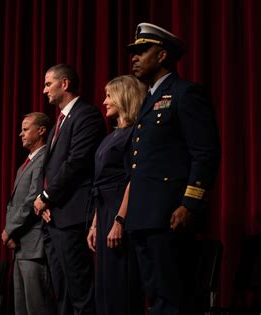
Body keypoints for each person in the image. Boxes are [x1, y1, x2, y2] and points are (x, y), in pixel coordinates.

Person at [125, 23, 221, 314]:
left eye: (142, 51)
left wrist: (189, 204)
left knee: (174, 299)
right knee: (155, 298)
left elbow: (205, 154)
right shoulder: (149, 101)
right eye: (134, 52)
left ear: (163, 55)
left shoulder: (184, 93)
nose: (134, 58)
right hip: (143, 217)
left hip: (169, 215)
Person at [33, 64, 105, 314]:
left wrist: (46, 197)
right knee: (61, 291)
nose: (44, 90)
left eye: (48, 84)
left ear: (64, 84)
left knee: (79, 291)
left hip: (72, 217)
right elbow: (49, 169)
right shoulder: (57, 124)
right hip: (53, 218)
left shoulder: (87, 116)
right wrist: (45, 204)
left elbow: (76, 163)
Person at [86, 75, 146, 315]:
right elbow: (100, 183)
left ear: (124, 97)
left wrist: (119, 220)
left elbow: (134, 179)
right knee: (104, 288)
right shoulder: (111, 135)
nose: (104, 101)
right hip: (103, 213)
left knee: (120, 286)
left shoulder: (135, 133)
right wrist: (94, 224)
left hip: (121, 212)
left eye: (109, 95)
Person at [1, 112, 56, 314]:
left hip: (34, 246)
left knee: (37, 307)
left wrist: (9, 230)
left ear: (41, 131)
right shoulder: (27, 162)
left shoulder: (43, 159)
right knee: (21, 307)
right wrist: (12, 234)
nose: (20, 134)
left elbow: (33, 200)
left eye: (25, 129)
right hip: (21, 245)